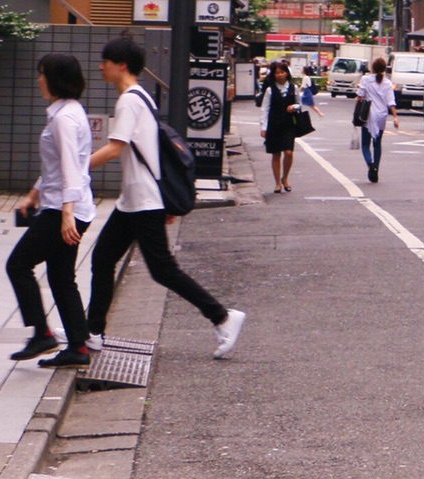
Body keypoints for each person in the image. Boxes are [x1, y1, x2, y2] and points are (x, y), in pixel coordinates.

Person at [85, 35, 246, 359]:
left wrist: (76, 167)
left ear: (122, 65)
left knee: (162, 269)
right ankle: (92, 332)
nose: (101, 66)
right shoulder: (141, 97)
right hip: (135, 201)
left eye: (106, 61)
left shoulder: (130, 99)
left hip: (142, 201)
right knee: (102, 259)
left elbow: (116, 147)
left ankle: (223, 316)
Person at [6, 53, 96, 368]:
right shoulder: (71, 112)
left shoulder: (63, 118)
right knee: (60, 277)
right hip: (69, 205)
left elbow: (72, 166)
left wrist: (66, 213)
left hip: (64, 209)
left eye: (42, 73)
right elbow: (58, 166)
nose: (38, 79)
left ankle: (43, 334)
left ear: (55, 78)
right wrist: (34, 195)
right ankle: (78, 347)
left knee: (18, 265)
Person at [257, 59, 306, 193]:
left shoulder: (293, 88)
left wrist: (294, 107)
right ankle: (277, 182)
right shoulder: (270, 90)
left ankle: (285, 177)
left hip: (289, 124)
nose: (279, 75)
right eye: (277, 73)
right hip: (274, 124)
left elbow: (299, 104)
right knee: (276, 154)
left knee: (288, 152)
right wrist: (263, 127)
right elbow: (264, 109)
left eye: (282, 72)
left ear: (286, 73)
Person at [355, 57, 400, 184]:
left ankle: (370, 165)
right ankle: (376, 169)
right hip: (382, 116)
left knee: (365, 144)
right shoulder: (387, 83)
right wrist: (395, 117)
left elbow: (360, 96)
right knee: (377, 144)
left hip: (368, 115)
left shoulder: (366, 79)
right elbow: (391, 102)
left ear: (373, 68)